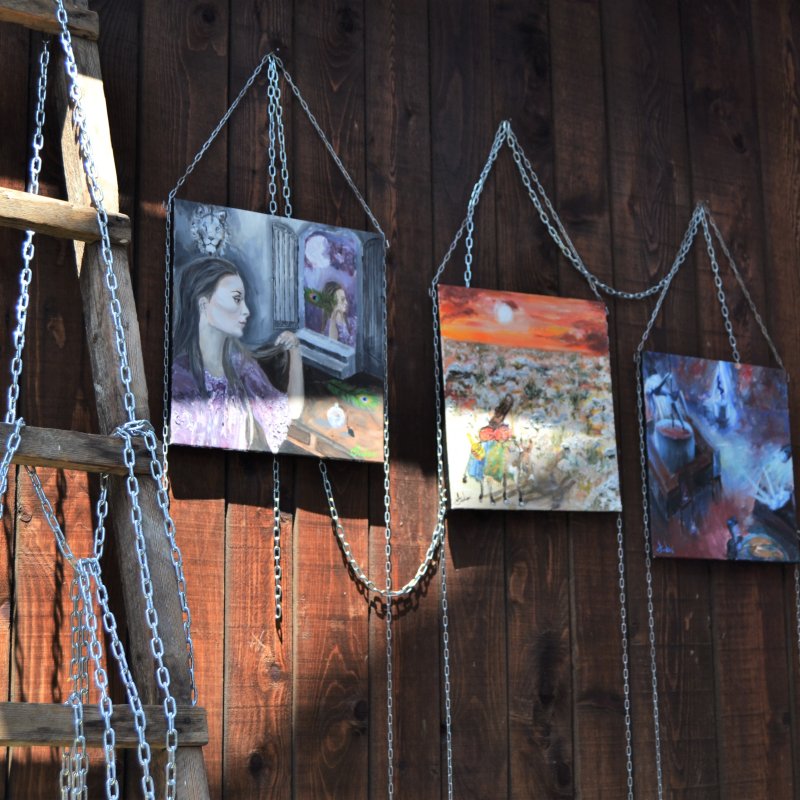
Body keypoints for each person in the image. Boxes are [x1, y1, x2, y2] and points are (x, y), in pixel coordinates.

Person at [170, 257, 304, 452]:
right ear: (204, 305)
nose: (246, 311)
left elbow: (292, 410)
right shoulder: (179, 377)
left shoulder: (241, 367)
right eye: (236, 299)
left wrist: (295, 350)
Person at [323, 281, 355, 346]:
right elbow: (332, 346)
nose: (346, 302)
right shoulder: (331, 324)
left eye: (345, 299)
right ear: (332, 303)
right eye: (342, 300)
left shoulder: (349, 321)